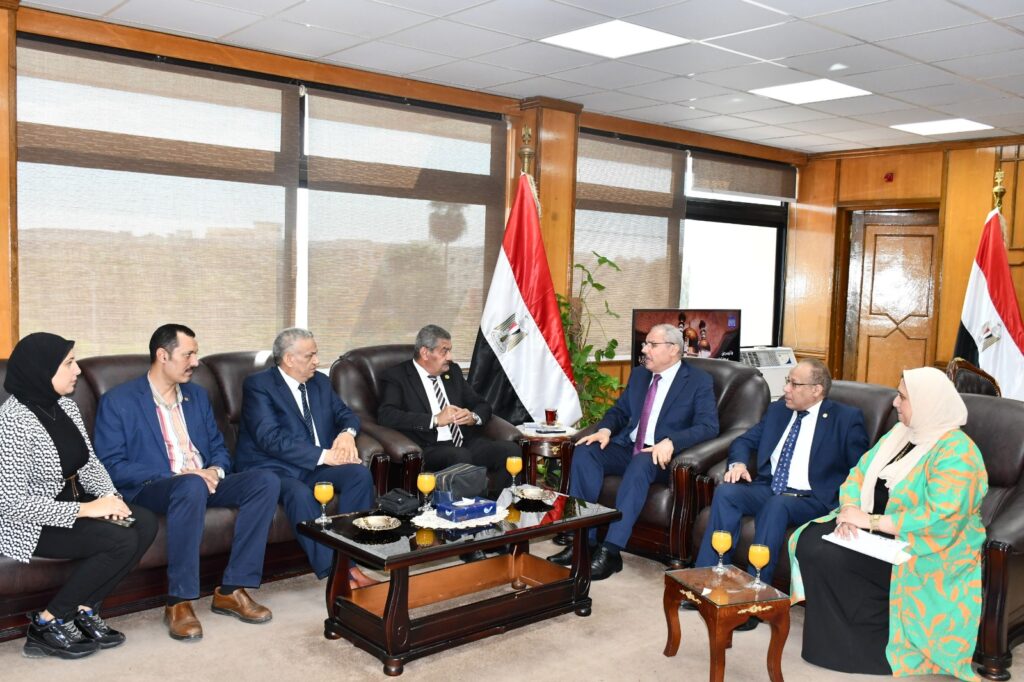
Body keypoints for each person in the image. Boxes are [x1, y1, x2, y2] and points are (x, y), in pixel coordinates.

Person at [790, 367, 987, 680]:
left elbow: (941, 516)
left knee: (830, 553)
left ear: (927, 404)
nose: (895, 403)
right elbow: (858, 473)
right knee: (811, 540)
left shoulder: (958, 452)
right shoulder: (900, 434)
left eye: (902, 397)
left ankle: (873, 648)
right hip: (875, 529)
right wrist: (850, 510)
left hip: (922, 545)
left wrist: (871, 521)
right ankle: (834, 641)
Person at [94, 324, 280, 642]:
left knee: (265, 481)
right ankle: (178, 601)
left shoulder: (197, 396)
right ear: (163, 355)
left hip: (201, 482)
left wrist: (215, 471)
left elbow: (219, 448)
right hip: (155, 487)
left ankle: (232, 589)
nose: (195, 362)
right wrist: (181, 476)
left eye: (196, 354)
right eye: (188, 354)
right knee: (190, 486)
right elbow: (112, 466)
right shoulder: (119, 401)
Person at [0, 333, 157, 659]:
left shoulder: (66, 406)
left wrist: (111, 498)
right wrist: (88, 510)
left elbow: (89, 464)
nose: (78, 371)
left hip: (74, 503)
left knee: (144, 522)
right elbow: (12, 504)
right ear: (43, 369)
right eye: (69, 363)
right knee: (120, 540)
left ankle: (85, 609)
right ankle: (47, 623)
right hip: (30, 522)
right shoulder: (12, 422)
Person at [693, 358, 868, 628]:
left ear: (816, 390)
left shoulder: (845, 419)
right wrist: (738, 464)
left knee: (777, 506)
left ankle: (754, 601)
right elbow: (744, 441)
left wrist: (848, 507)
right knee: (727, 493)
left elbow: (861, 469)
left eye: (794, 384)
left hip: (811, 498)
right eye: (787, 381)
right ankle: (709, 583)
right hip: (770, 487)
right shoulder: (778, 411)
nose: (786, 388)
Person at [548, 323, 719, 580]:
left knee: (641, 462)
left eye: (652, 345)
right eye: (645, 343)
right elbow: (619, 411)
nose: (644, 349)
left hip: (661, 457)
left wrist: (672, 441)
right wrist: (605, 430)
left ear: (673, 349)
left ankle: (611, 550)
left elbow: (708, 426)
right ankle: (582, 541)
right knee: (586, 451)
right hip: (627, 447)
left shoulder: (697, 381)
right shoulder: (640, 375)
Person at [234, 327, 376, 587]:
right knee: (299, 494)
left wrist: (347, 434)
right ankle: (336, 573)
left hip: (314, 466)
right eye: (310, 356)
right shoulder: (259, 385)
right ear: (289, 359)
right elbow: (270, 438)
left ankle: (350, 560)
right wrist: (325, 455)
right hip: (274, 468)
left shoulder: (319, 382)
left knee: (359, 475)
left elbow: (346, 414)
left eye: (316, 354)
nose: (316, 361)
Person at [378, 324, 522, 494]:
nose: (450, 357)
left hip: (466, 441)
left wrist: (473, 417)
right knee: (459, 456)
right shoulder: (397, 376)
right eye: (444, 351)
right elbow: (387, 415)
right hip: (430, 447)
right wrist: (435, 420)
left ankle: (498, 504)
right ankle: (469, 509)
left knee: (511, 451)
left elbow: (482, 404)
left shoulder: (452, 371)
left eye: (450, 350)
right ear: (425, 353)